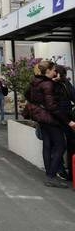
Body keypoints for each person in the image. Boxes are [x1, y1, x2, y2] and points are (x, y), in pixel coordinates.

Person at [25, 60, 75, 188]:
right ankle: (51, 176)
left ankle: (49, 175)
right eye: (53, 70)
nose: (55, 72)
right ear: (48, 71)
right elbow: (52, 106)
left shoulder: (36, 81)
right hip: (49, 118)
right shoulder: (48, 84)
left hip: (40, 116)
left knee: (47, 145)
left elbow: (28, 95)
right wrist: (68, 121)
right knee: (61, 145)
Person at [53, 64, 75, 181]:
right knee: (60, 145)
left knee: (66, 144)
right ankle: (60, 171)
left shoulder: (64, 83)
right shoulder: (52, 85)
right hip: (59, 119)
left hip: (65, 118)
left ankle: (68, 172)